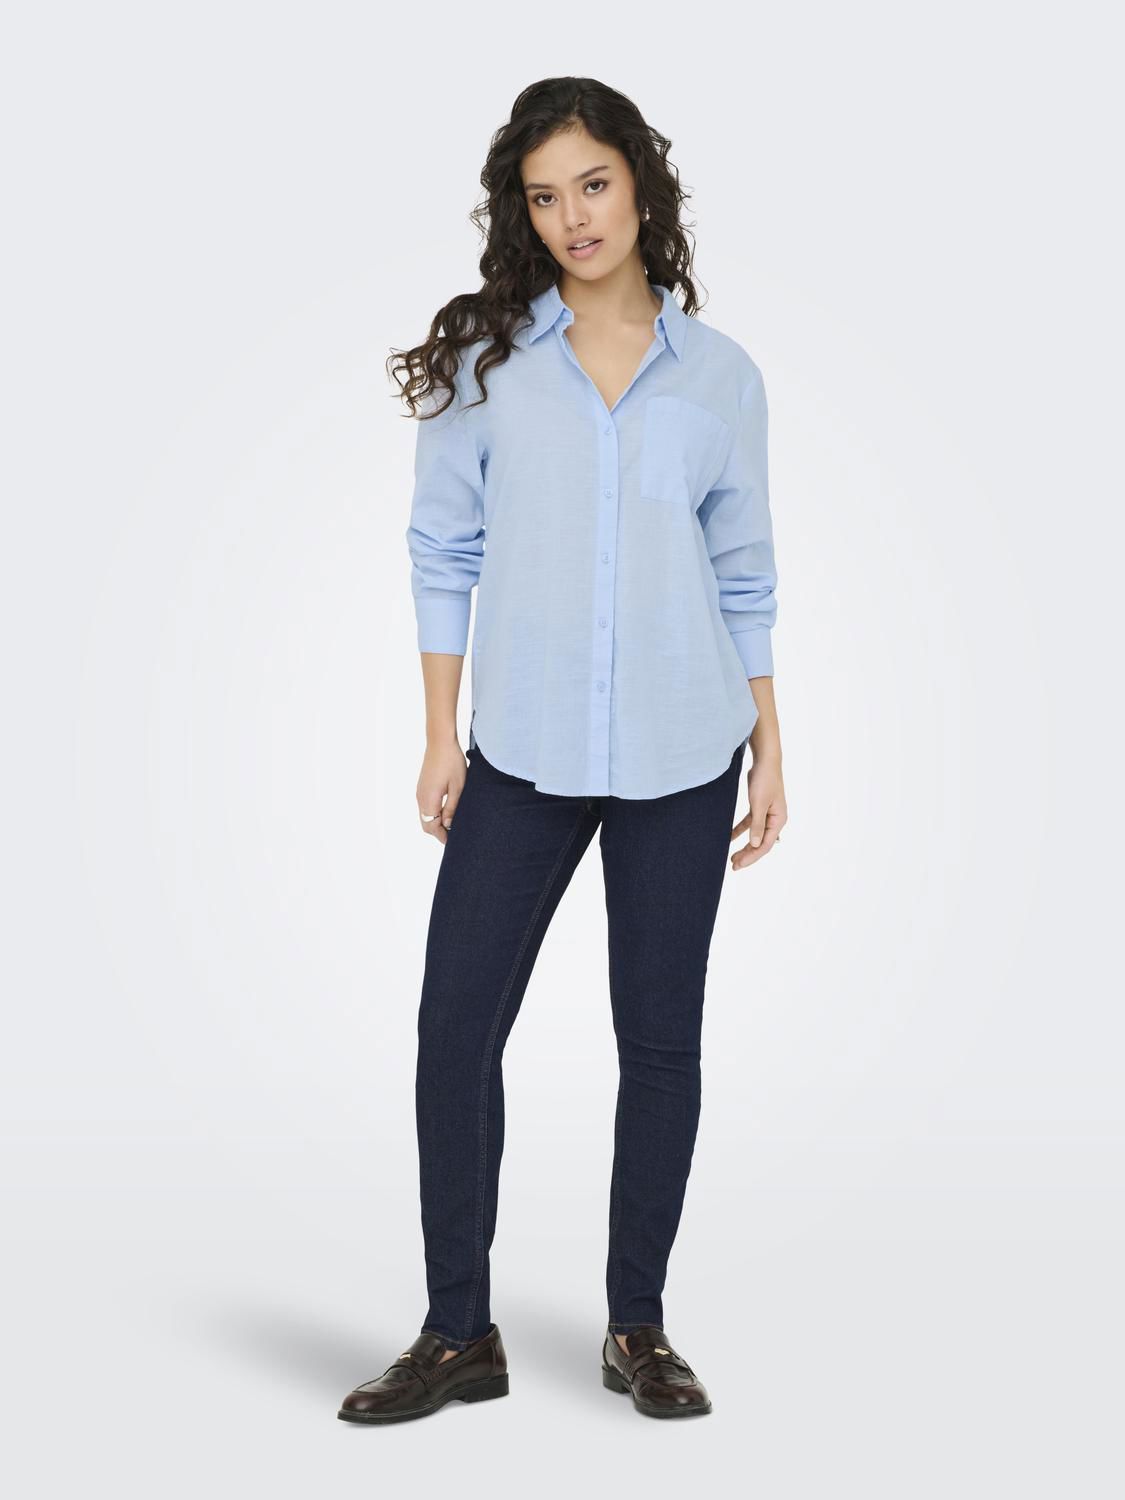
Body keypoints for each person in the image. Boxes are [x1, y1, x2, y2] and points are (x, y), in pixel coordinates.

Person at [338, 75, 787, 1426]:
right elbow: (442, 549)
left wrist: (771, 739)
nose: (573, 216)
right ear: (520, 215)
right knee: (453, 1029)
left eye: (593, 183)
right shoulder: (486, 366)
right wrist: (439, 734)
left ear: (640, 182)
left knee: (659, 1043)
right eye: (544, 197)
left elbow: (743, 571)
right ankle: (456, 1333)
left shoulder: (721, 377)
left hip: (684, 747)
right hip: (522, 751)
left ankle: (637, 1325)